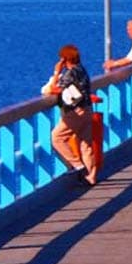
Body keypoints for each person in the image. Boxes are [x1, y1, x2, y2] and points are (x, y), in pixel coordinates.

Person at [48, 44, 97, 185]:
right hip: (87, 109)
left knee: (57, 137)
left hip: (76, 112)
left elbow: (55, 89)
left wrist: (57, 72)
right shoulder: (82, 69)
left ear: (64, 59)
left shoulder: (70, 73)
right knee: (86, 145)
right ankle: (91, 176)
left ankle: (78, 166)